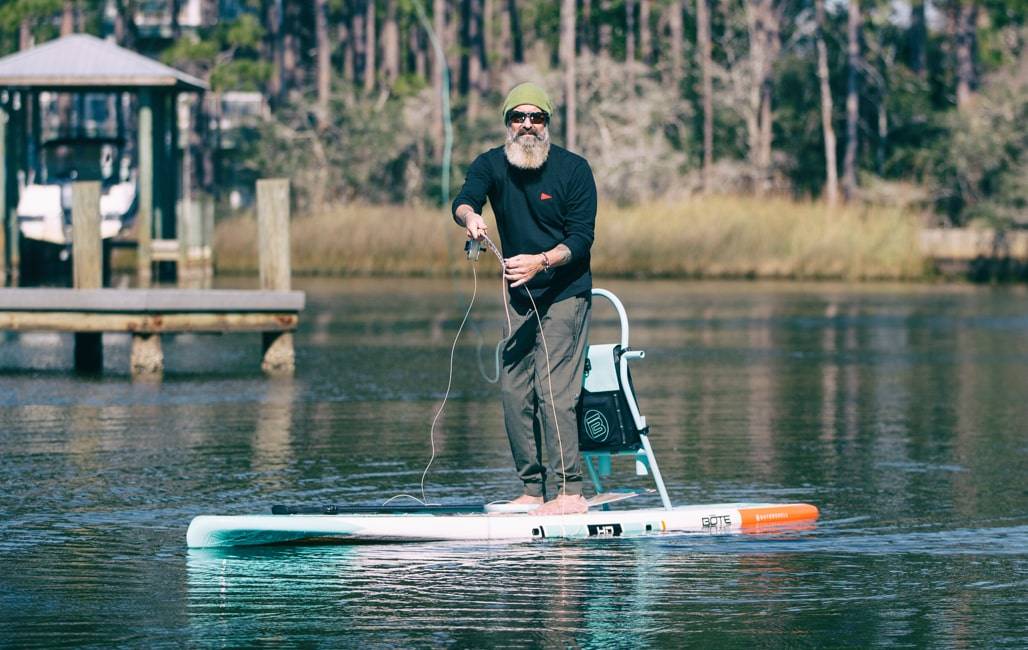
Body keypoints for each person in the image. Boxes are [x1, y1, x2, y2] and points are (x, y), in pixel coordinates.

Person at [451, 82, 597, 516]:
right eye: (519, 117)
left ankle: (570, 492)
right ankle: (533, 490)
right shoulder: (491, 164)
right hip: (518, 295)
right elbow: (463, 201)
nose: (528, 125)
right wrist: (471, 218)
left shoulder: (574, 169)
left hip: (565, 291)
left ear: (548, 123)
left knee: (553, 388)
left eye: (537, 118)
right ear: (507, 123)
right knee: (515, 392)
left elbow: (582, 239)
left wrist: (542, 261)